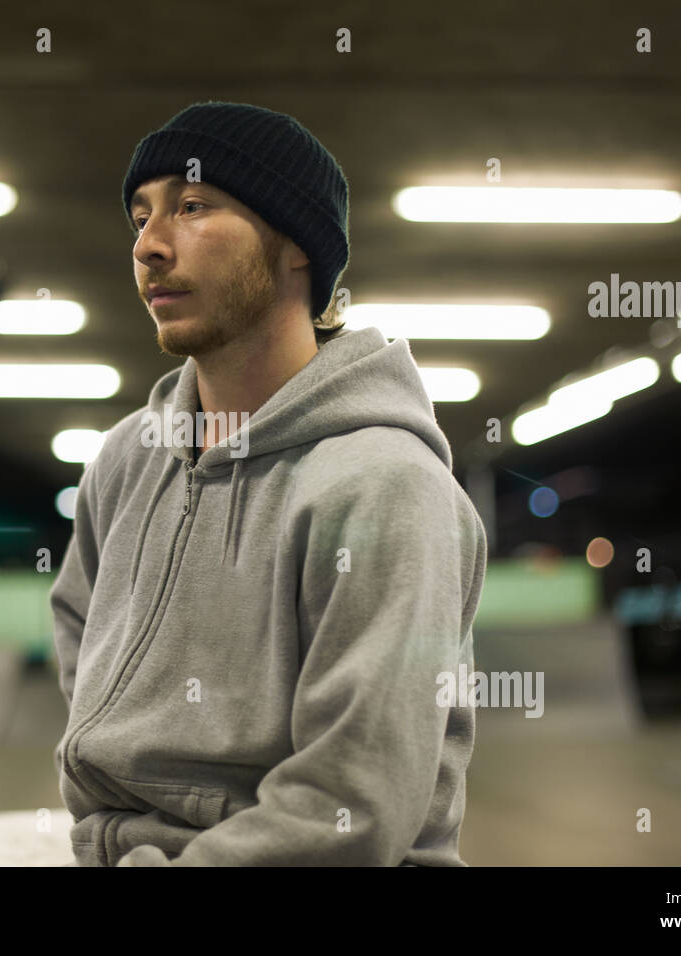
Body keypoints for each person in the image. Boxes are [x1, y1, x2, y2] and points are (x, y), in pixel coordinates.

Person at [50, 101, 488, 866]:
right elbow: (81, 649)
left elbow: (349, 803)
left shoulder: (383, 486)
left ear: (295, 247)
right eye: (140, 217)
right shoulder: (126, 459)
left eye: (191, 208)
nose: (149, 246)